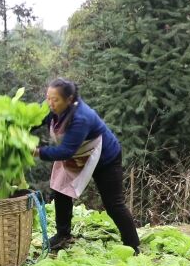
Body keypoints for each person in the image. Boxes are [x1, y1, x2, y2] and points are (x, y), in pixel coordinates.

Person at [34, 78, 141, 254]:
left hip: (104, 158)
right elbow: (35, 120)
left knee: (113, 203)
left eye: (56, 100)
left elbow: (65, 151)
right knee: (60, 191)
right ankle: (63, 235)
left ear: (69, 100)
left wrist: (36, 152)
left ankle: (133, 244)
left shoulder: (81, 117)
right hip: (78, 155)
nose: (50, 103)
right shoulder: (53, 107)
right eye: (48, 98)